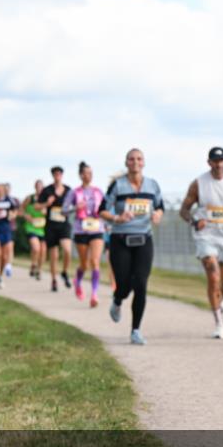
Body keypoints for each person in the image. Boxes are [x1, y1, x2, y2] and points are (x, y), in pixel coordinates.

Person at [179, 146, 223, 339]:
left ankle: (221, 300)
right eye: (214, 161)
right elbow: (183, 210)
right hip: (206, 236)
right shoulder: (198, 184)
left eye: (221, 161)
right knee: (213, 275)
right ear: (209, 162)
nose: (218, 164)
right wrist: (194, 220)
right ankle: (218, 323)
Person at [99, 148, 164, 345]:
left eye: (139, 159)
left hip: (144, 239)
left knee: (141, 284)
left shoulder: (152, 185)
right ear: (126, 163)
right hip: (121, 239)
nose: (135, 162)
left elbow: (160, 206)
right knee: (125, 285)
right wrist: (117, 217)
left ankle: (136, 330)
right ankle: (118, 300)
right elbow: (102, 210)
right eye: (131, 159)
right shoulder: (117, 186)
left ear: (143, 163)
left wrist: (157, 215)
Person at [62, 162, 106, 308]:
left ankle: (94, 294)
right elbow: (63, 210)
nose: (89, 175)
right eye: (86, 173)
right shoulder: (74, 192)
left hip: (97, 229)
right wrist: (75, 208)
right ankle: (78, 281)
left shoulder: (99, 191)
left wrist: (109, 223)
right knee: (84, 264)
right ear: (81, 175)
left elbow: (106, 209)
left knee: (95, 261)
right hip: (81, 231)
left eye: (91, 173)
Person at [39, 167, 73, 292]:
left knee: (67, 249)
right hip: (51, 225)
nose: (57, 176)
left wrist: (70, 209)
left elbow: (74, 205)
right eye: (55, 174)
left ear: (62, 175)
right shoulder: (47, 190)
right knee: (53, 255)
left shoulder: (69, 190)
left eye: (59, 174)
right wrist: (46, 204)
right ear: (53, 175)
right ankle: (53, 280)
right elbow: (37, 206)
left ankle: (64, 272)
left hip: (64, 224)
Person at [22, 180, 47, 280]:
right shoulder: (30, 198)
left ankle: (39, 270)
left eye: (41, 187)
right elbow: (21, 209)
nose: (39, 189)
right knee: (36, 248)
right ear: (35, 187)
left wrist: (46, 212)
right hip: (31, 227)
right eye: (38, 187)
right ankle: (33, 264)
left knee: (43, 251)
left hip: (43, 228)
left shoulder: (46, 201)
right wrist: (26, 215)